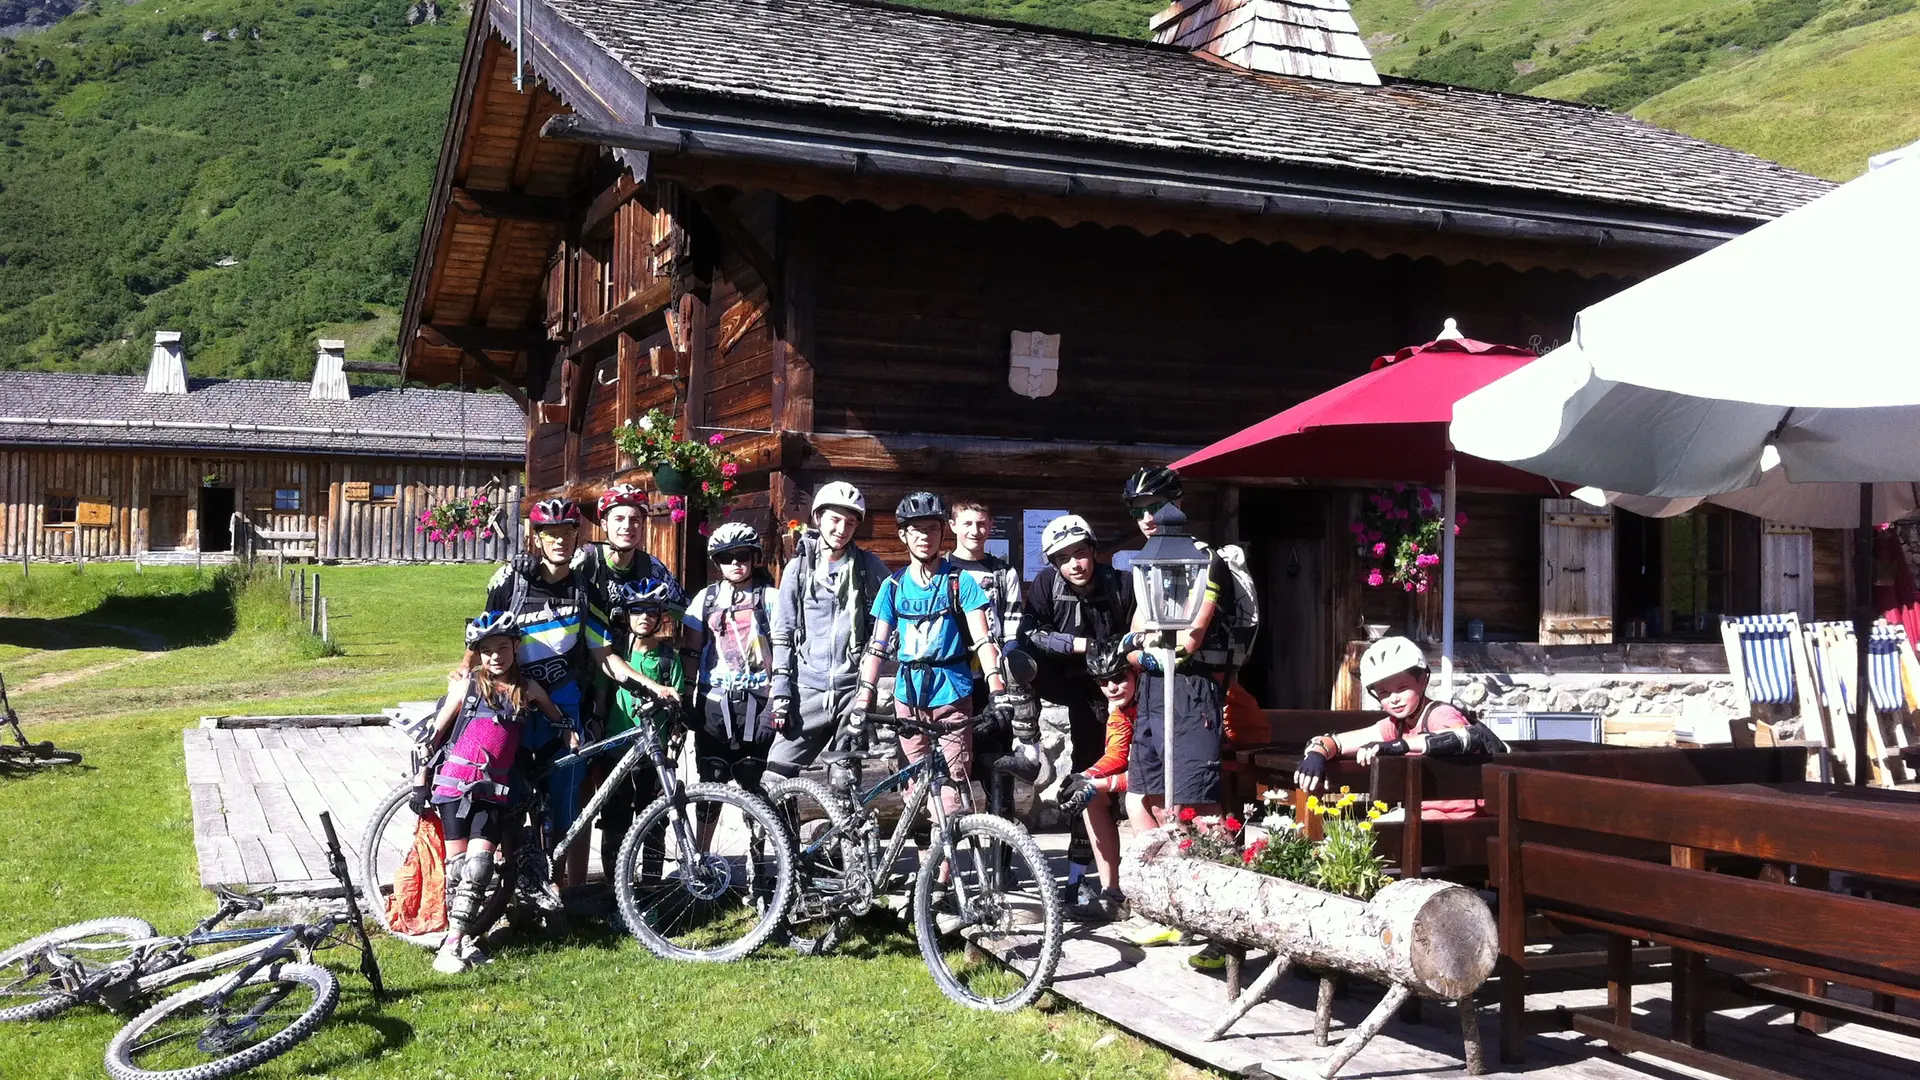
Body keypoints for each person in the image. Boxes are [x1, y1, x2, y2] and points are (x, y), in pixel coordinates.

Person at [484, 498, 663, 891]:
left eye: (567, 533)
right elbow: (482, 643)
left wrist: (652, 685)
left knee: (568, 808)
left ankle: (565, 894)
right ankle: (504, 891)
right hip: (512, 706)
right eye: (551, 535)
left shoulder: (585, 589)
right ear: (538, 538)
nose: (560, 541)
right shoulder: (510, 580)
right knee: (502, 802)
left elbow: (604, 655)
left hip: (562, 712)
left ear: (577, 537)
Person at [415, 612, 567, 974]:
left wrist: (568, 733)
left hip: (494, 790)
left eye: (503, 647)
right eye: (487, 651)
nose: (496, 656)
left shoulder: (527, 689)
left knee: (480, 867)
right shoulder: (467, 686)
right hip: (454, 784)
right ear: (477, 654)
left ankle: (453, 942)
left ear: (516, 647)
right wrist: (421, 783)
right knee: (458, 870)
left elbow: (556, 717)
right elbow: (432, 735)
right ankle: (458, 942)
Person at [853, 492, 1014, 820]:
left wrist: (997, 690)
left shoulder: (960, 581)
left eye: (931, 529)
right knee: (916, 791)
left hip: (953, 694)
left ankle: (946, 871)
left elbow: (984, 640)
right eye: (916, 530)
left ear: (943, 532)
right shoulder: (893, 587)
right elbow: (877, 647)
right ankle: (929, 865)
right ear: (903, 535)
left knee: (956, 789)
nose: (924, 537)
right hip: (907, 698)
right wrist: (862, 699)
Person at [1023, 512, 1134, 903]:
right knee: (1085, 783)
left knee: (1139, 787)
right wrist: (1078, 645)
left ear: (1093, 550)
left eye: (1081, 552)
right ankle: (1077, 878)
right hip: (1081, 698)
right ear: (1054, 563)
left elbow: (1142, 633)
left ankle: (1129, 878)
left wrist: (1120, 651)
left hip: (1126, 694)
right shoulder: (1045, 586)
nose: (1076, 563)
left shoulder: (1121, 584)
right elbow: (1029, 634)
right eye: (1065, 558)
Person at [1293, 636, 1503, 819]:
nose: (1394, 699)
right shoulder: (1395, 725)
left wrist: (1399, 745)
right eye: (1384, 693)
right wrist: (1317, 753)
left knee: (1378, 833)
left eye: (1402, 688)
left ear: (1422, 681)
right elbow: (1337, 742)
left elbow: (1463, 736)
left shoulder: (1439, 713)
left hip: (1465, 818)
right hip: (1423, 814)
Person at [767, 482, 891, 780]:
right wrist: (782, 689)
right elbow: (782, 633)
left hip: (852, 691)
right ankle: (783, 829)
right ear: (818, 518)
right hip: (806, 691)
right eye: (835, 520)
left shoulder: (867, 565)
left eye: (850, 523)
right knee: (774, 778)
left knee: (844, 781)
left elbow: (894, 608)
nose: (842, 529)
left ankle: (848, 827)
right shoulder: (799, 568)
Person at [945, 498, 1042, 809]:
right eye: (968, 523)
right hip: (952, 675)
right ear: (953, 527)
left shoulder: (1002, 571)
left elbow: (1012, 622)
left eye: (982, 524)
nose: (975, 530)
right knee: (954, 760)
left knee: (999, 764)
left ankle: (1002, 844)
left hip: (993, 678)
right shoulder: (942, 569)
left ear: (990, 527)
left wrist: (1008, 664)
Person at [600, 576, 689, 898]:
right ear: (626, 614)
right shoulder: (616, 652)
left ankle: (651, 886)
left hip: (655, 750)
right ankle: (615, 888)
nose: (644, 617)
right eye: (637, 610)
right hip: (618, 747)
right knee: (614, 820)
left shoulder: (667, 658)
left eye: (651, 611)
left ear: (660, 615)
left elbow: (677, 700)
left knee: (655, 818)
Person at [1053, 639, 1147, 924]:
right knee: (1090, 797)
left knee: (1140, 799)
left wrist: (1101, 783)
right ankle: (1112, 894)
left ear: (1136, 673)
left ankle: (1155, 894)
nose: (1112, 688)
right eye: (1103, 682)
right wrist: (1084, 777)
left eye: (1119, 677)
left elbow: (1152, 775)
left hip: (1230, 757)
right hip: (1155, 774)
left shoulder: (1151, 701)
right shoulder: (1119, 709)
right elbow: (1117, 754)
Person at [683, 522, 779, 793]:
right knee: (710, 782)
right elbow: (691, 648)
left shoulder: (771, 598)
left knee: (757, 784)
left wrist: (775, 701)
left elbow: (786, 653)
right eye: (726, 557)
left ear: (755, 557)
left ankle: (763, 837)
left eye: (743, 555)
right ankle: (702, 838)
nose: (735, 562)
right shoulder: (706, 598)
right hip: (713, 702)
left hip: (759, 701)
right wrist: (686, 696)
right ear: (717, 562)